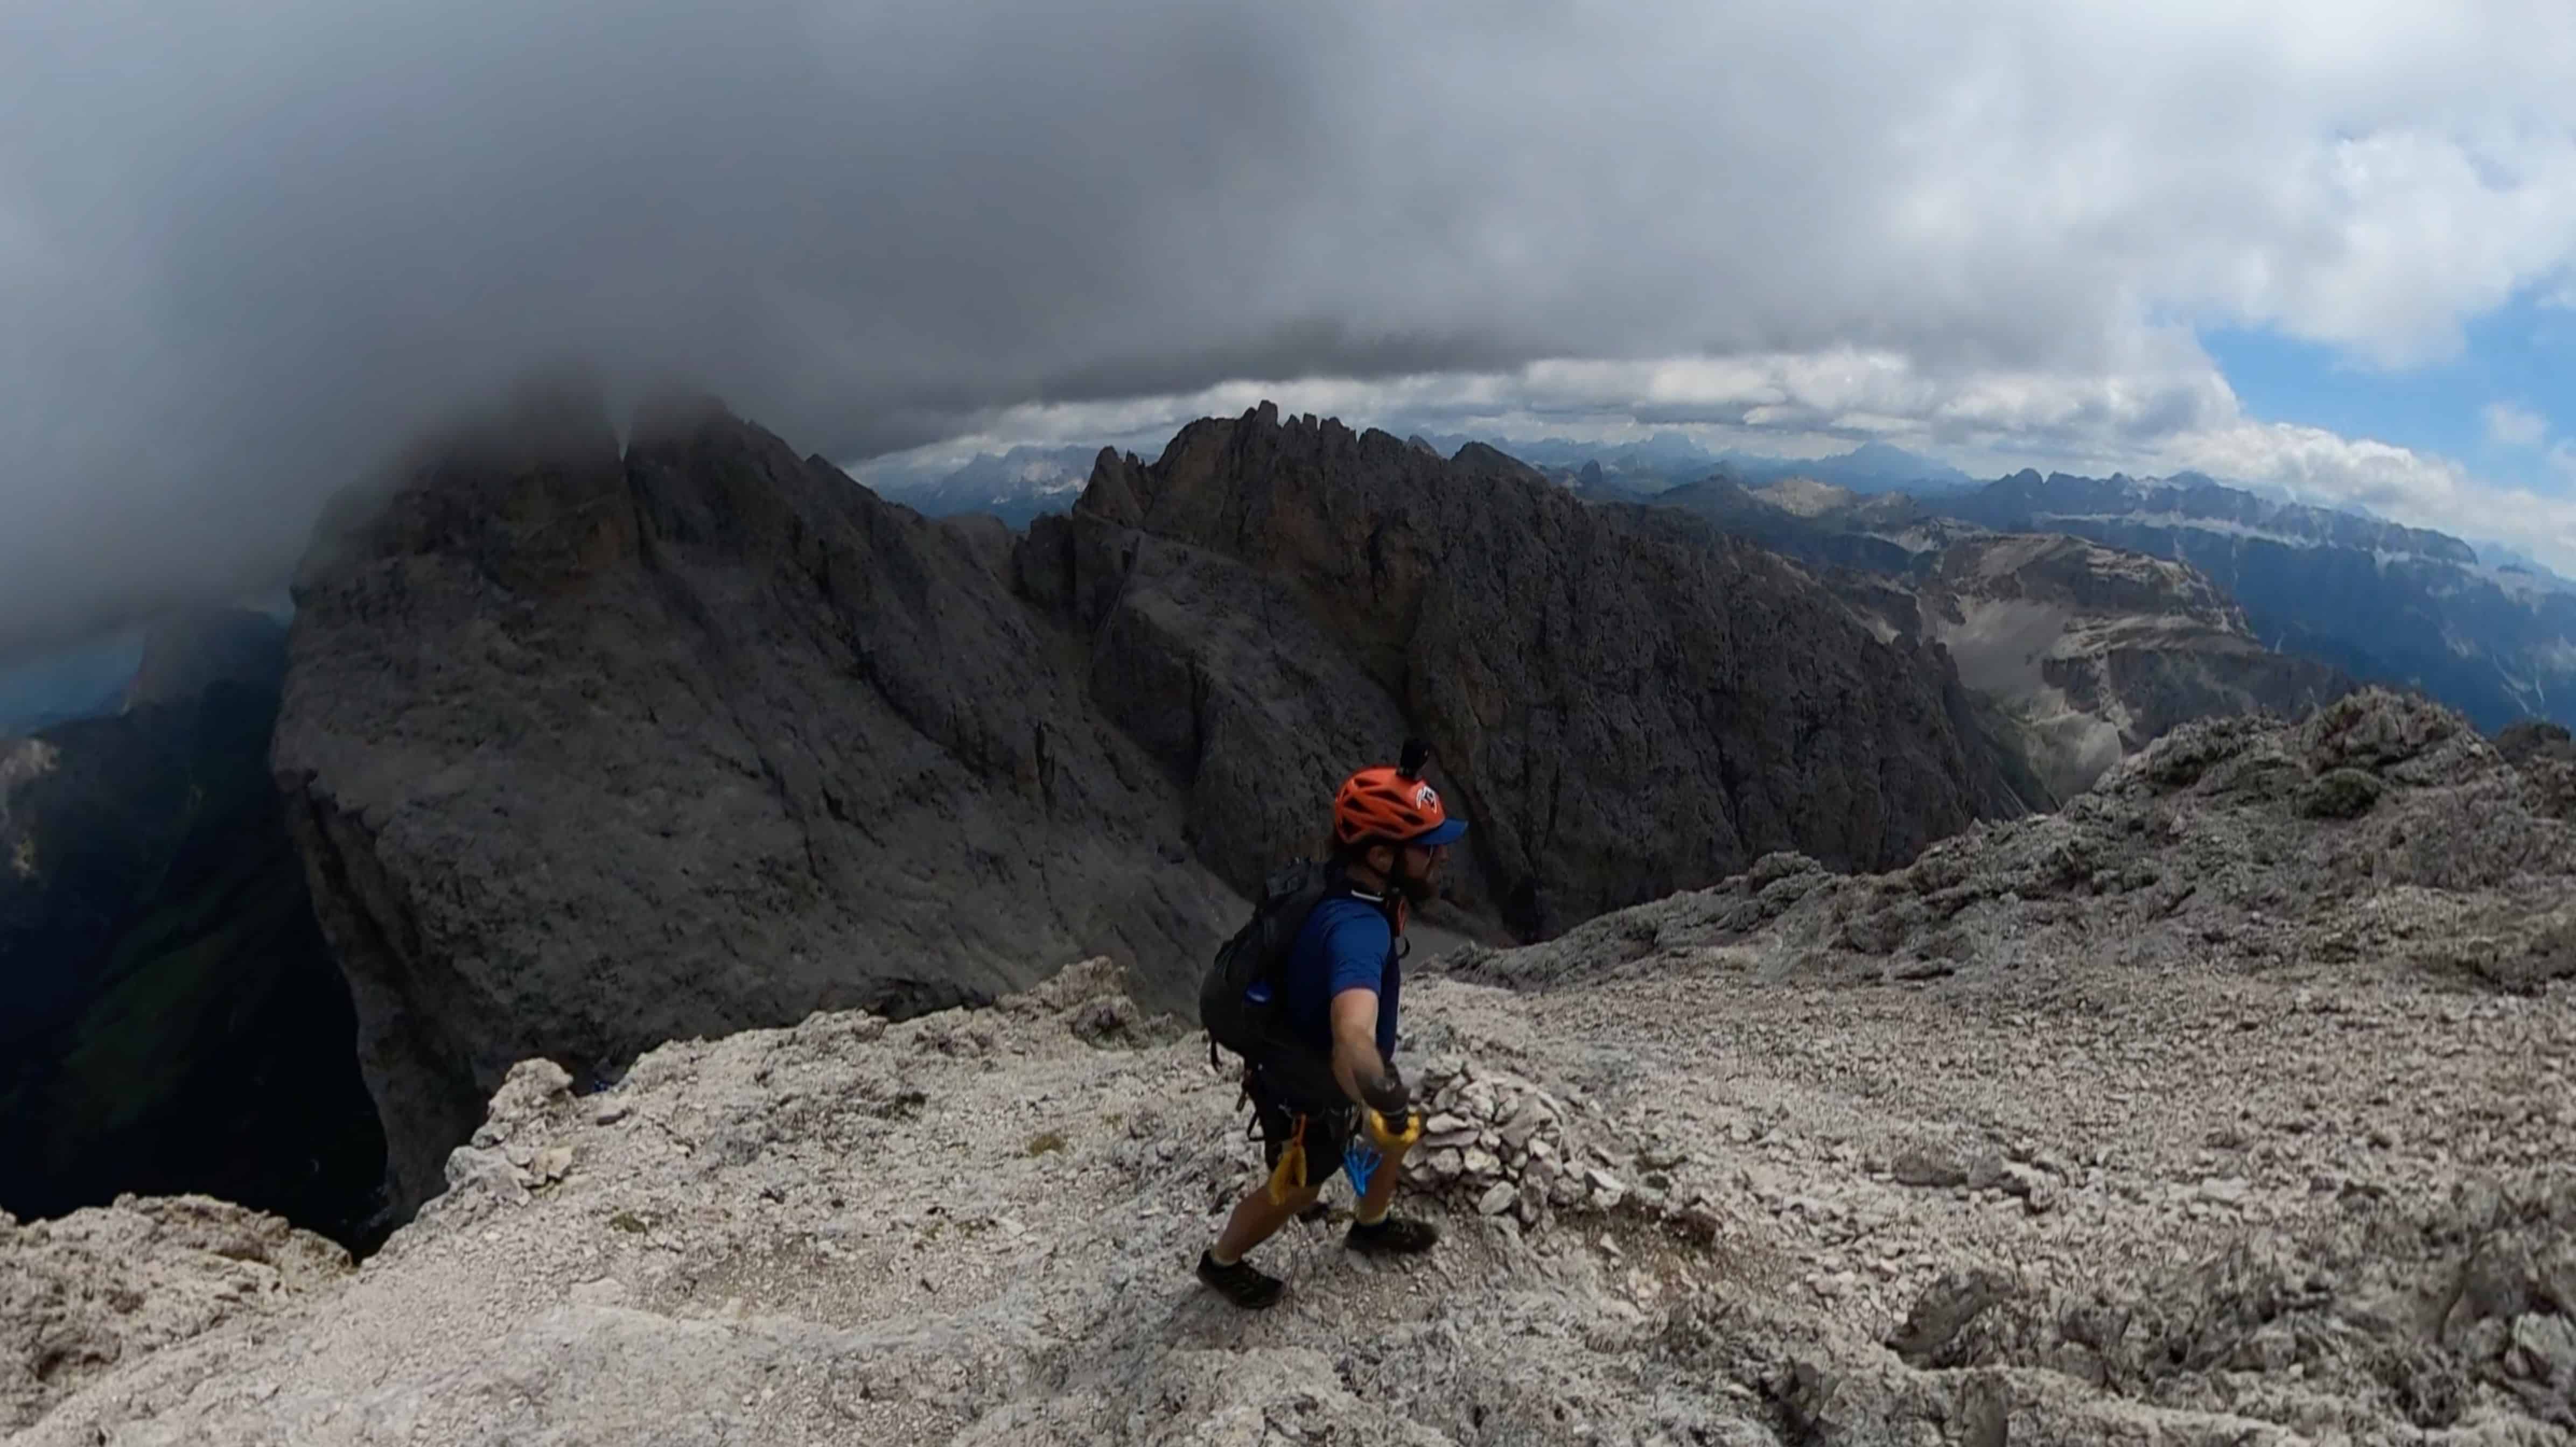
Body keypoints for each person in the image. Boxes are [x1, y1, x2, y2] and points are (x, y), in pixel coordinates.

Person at [1195, 754, 1467, 1309]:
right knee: (1299, 1189)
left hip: (1307, 1057)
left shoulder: (1344, 887)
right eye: (1426, 847)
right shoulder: (1359, 932)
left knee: (1392, 1126)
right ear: (1380, 854)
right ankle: (1221, 1263)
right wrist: (1380, 1089)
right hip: (1308, 1082)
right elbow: (1350, 1032)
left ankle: (1371, 1221)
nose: (1439, 858)